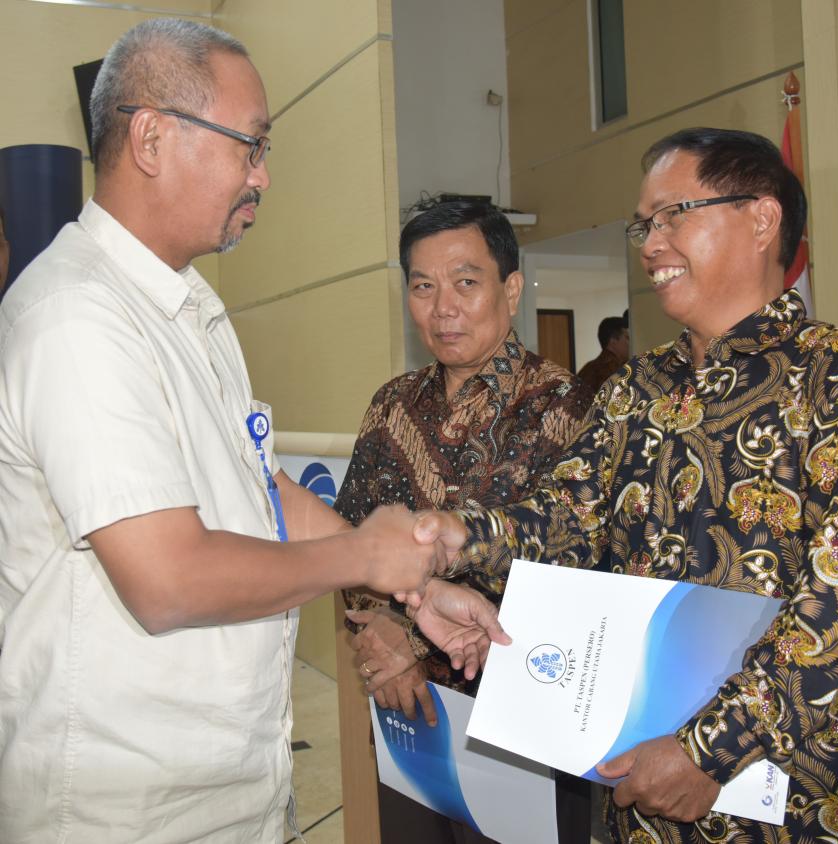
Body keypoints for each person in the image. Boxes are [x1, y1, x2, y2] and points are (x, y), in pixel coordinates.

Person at [0, 19, 502, 844]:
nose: (262, 175)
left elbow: (261, 490)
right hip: (122, 808)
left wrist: (413, 590)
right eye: (250, 145)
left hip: (227, 786)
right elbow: (167, 579)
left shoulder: (191, 310)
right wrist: (363, 555)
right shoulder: (77, 318)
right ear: (152, 139)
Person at [408, 128, 838, 843]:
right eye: (643, 225)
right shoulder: (636, 390)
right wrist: (454, 537)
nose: (650, 245)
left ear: (762, 218)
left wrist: (706, 751)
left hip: (790, 809)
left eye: (672, 215)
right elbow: (568, 519)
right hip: (640, 794)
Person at [337, 200, 594, 843]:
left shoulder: (565, 406)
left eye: (466, 282)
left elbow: (575, 564)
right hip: (405, 709)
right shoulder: (392, 405)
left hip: (521, 723)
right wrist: (383, 635)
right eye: (423, 286)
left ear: (512, 288)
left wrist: (412, 639)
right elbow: (348, 537)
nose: (442, 308)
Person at [576, 315, 629, 391]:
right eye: (627, 338)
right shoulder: (611, 370)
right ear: (613, 340)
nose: (631, 343)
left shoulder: (588, 369)